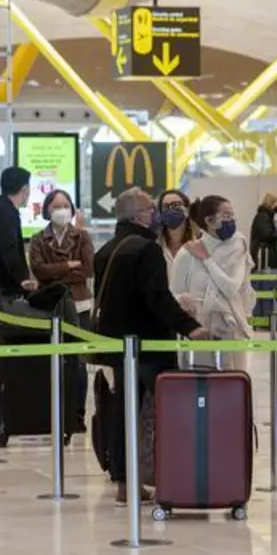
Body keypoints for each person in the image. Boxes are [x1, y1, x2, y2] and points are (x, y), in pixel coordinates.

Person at [93, 189, 209, 505]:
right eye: (149, 208)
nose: (155, 214)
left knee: (122, 413)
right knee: (164, 413)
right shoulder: (146, 249)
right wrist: (190, 327)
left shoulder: (106, 250)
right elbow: (157, 298)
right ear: (139, 216)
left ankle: (124, 481)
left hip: (118, 347)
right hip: (151, 346)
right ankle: (167, 476)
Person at [28, 188, 95, 422]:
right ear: (47, 210)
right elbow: (39, 270)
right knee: (52, 359)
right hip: (51, 306)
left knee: (78, 362)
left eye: (66, 206)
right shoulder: (38, 239)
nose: (62, 211)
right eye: (56, 206)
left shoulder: (82, 237)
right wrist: (68, 265)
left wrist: (55, 275)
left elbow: (87, 269)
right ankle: (52, 411)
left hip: (80, 304)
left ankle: (77, 413)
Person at [170, 195, 257, 371]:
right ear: (209, 220)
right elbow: (173, 292)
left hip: (231, 329)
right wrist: (182, 300)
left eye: (232, 216)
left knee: (234, 381)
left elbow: (231, 288)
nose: (231, 221)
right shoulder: (187, 254)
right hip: (199, 330)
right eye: (225, 216)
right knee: (201, 381)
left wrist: (207, 260)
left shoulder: (237, 245)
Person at [0, 166, 36, 296]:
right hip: (4, 291)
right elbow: (8, 247)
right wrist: (22, 278)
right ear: (25, 189)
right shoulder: (5, 213)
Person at [157, 189, 196, 268]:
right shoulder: (156, 245)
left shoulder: (199, 243)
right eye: (166, 206)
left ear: (187, 211)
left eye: (176, 205)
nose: (170, 210)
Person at [249, 192, 277, 271]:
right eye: (276, 203)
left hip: (265, 254)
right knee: (266, 277)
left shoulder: (266, 216)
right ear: (271, 204)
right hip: (264, 256)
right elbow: (267, 235)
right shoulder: (263, 217)